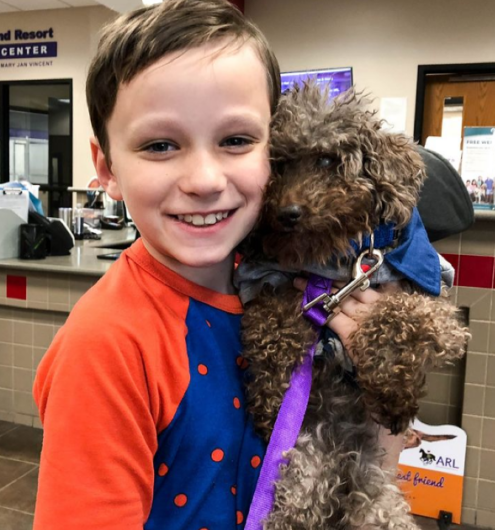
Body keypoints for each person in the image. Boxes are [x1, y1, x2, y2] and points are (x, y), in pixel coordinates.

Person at [30, 1, 392, 528]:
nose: (204, 180)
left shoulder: (295, 287)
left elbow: (377, 463)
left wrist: (377, 373)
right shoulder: (108, 346)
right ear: (106, 167)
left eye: (237, 141)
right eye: (160, 145)